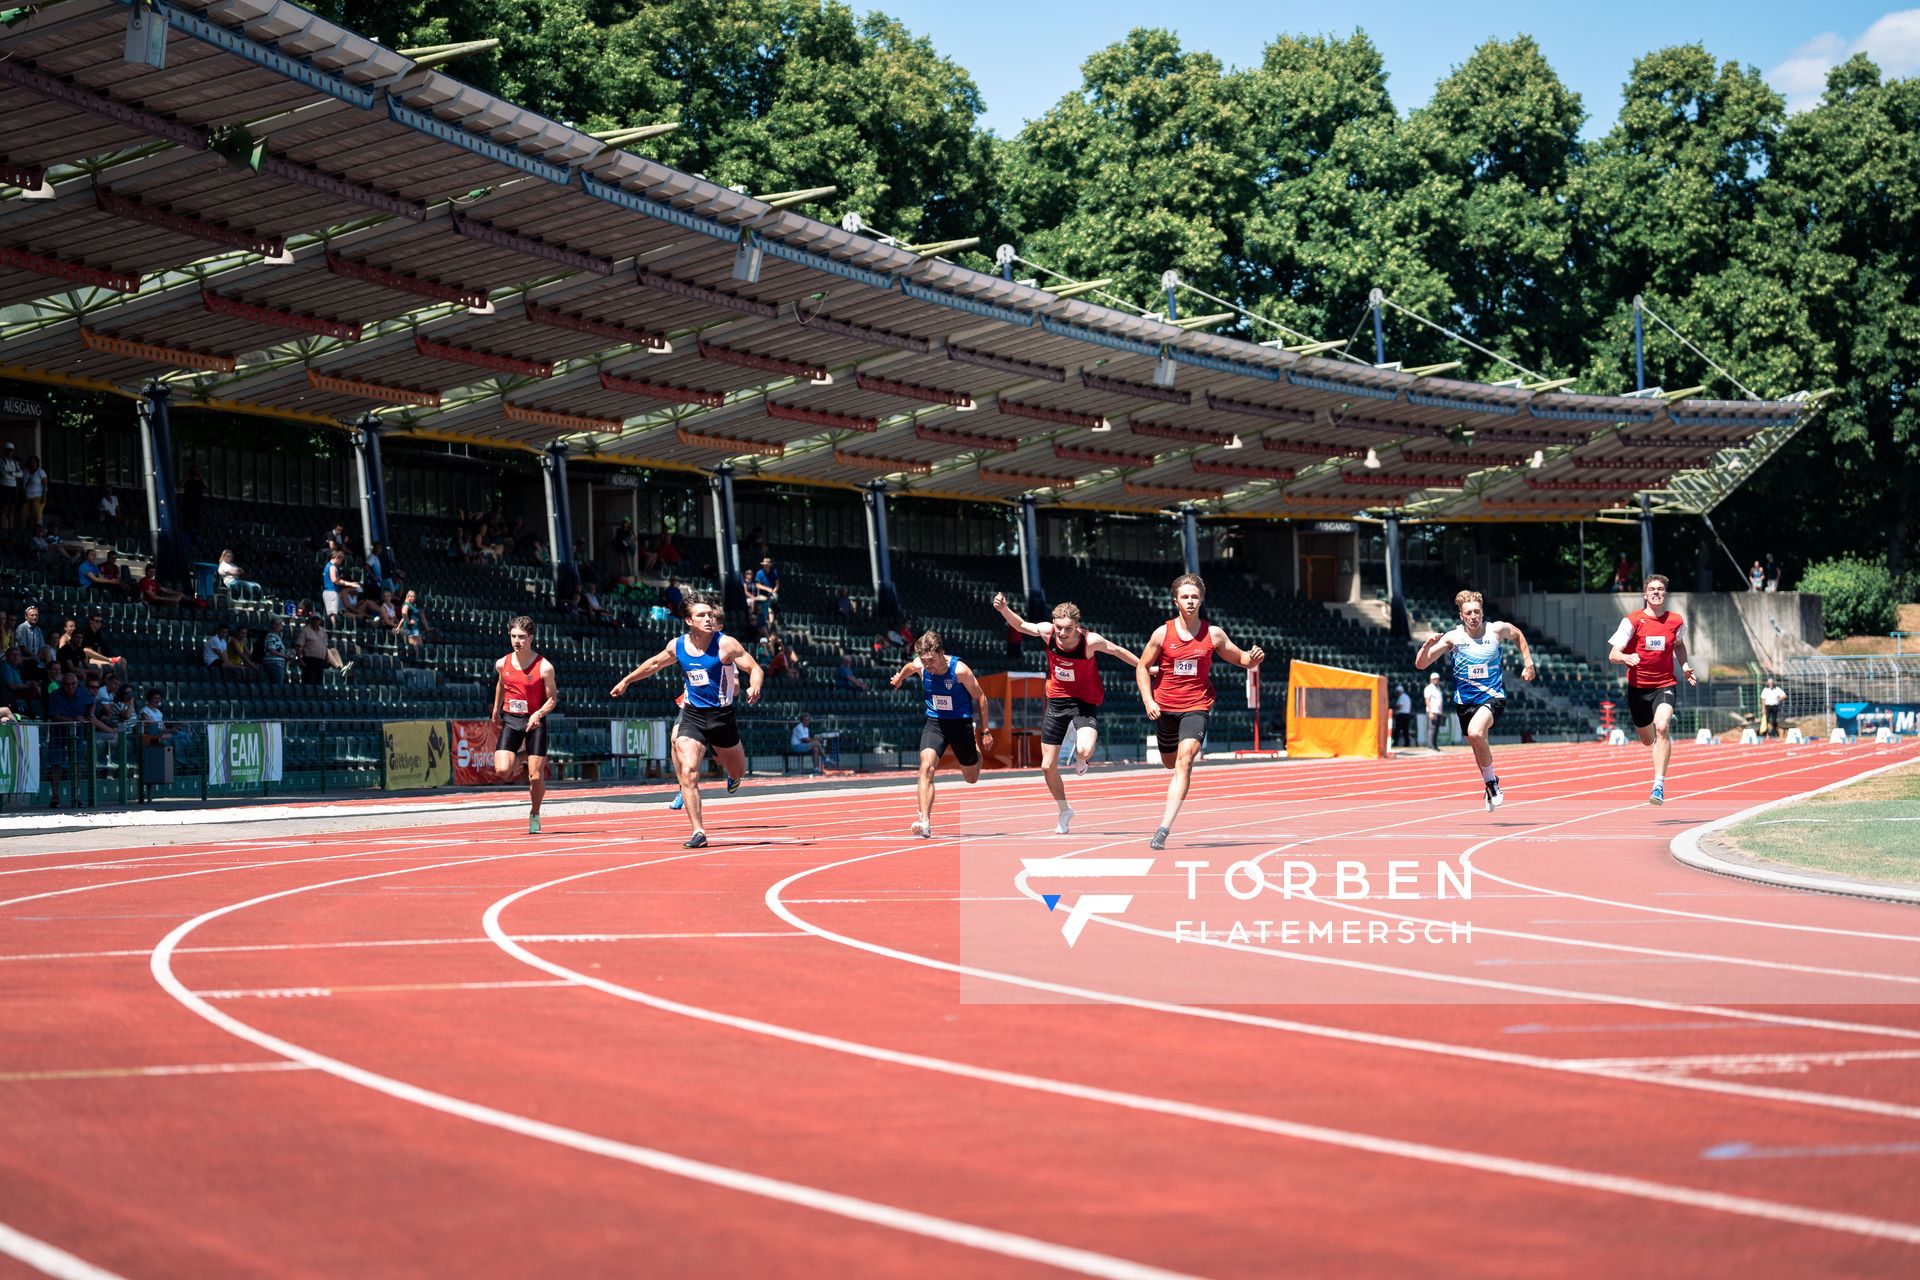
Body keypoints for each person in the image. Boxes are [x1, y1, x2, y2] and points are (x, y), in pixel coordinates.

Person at [609, 592, 763, 848]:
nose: (708, 619)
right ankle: (698, 831)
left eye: (710, 615)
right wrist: (627, 680)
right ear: (689, 621)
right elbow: (654, 664)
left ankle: (733, 776)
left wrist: (754, 686)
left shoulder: (726, 644)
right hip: (693, 715)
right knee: (689, 771)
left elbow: (754, 667)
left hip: (722, 717)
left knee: (737, 770)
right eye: (701, 615)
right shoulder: (677, 645)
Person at [1134, 573, 1265, 850]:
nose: (1190, 601)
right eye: (1185, 597)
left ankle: (1163, 828)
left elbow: (1240, 658)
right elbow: (1142, 667)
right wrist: (1149, 701)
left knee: (1185, 761)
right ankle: (1168, 810)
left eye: (1195, 597)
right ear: (1176, 601)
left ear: (1201, 600)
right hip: (1165, 708)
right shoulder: (1162, 633)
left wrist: (1251, 659)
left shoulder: (1213, 634)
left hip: (1197, 706)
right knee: (1170, 762)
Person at [992, 591, 1140, 834]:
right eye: (1058, 627)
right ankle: (1064, 810)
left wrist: (1146, 666)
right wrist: (1003, 610)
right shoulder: (1047, 633)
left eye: (1067, 629)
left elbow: (1117, 650)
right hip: (1057, 701)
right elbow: (1020, 625)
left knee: (1084, 749)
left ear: (1076, 626)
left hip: (1083, 702)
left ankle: (1082, 760)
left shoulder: (1090, 642)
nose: (1062, 633)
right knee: (1047, 765)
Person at [1415, 589, 1536, 812]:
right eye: (1468, 612)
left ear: (1482, 612)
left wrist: (1528, 663)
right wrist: (1425, 646)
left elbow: (1518, 634)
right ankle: (1491, 780)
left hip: (1493, 697)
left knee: (1476, 732)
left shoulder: (1495, 630)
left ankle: (1491, 784)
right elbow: (1421, 664)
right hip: (1465, 702)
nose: (1473, 616)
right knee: (1478, 747)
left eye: (1476, 612)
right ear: (1461, 615)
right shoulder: (1454, 637)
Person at [888, 632, 993, 839]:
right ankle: (925, 822)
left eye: (932, 661)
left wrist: (985, 731)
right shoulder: (920, 664)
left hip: (960, 723)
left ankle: (975, 749)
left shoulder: (960, 670)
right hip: (935, 722)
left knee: (971, 777)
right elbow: (911, 667)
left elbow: (981, 698)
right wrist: (899, 678)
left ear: (941, 654)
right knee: (926, 766)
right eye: (924, 661)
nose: (928, 666)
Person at [1607, 573, 1696, 806]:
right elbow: (1613, 654)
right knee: (1647, 741)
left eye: (1660, 589)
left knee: (1662, 726)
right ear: (1645, 594)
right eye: (1652, 589)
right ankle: (1658, 723)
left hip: (1665, 684)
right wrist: (1627, 657)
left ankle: (1658, 785)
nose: (1656, 592)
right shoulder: (1632, 621)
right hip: (1638, 689)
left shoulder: (1676, 621)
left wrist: (1684, 666)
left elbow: (1679, 644)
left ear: (1665, 595)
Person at [489, 616, 559, 835]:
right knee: (502, 770)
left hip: (534, 722)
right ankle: (523, 757)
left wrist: (538, 713)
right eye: (513, 636)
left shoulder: (544, 667)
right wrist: (495, 707)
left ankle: (535, 814)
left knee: (535, 776)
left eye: (521, 637)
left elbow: (553, 699)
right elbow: (502, 683)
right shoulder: (502, 663)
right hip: (512, 719)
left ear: (531, 638)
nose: (516, 641)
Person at [322, 551, 359, 623]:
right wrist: (350, 584)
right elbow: (335, 580)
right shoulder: (332, 567)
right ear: (336, 558)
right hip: (331, 592)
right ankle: (334, 629)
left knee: (333, 613)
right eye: (341, 560)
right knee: (333, 614)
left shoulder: (328, 566)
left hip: (330, 592)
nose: (341, 563)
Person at [297, 614, 330, 685]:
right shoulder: (305, 631)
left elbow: (325, 646)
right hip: (309, 661)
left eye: (317, 619)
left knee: (319, 684)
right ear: (310, 620)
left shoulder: (323, 632)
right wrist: (299, 659)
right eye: (313, 619)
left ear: (320, 621)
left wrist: (327, 657)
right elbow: (298, 645)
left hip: (320, 661)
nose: (315, 621)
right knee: (309, 684)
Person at [18, 454, 48, 530]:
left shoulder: (40, 472)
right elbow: (23, 486)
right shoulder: (25, 472)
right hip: (27, 498)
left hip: (38, 497)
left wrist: (44, 496)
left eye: (34, 462)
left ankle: (38, 535)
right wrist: (23, 496)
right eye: (31, 462)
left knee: (37, 515)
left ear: (37, 463)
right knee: (23, 515)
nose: (33, 463)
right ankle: (23, 534)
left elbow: (44, 485)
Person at [261, 617, 288, 684]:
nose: (280, 626)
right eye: (279, 624)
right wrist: (285, 656)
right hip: (274, 663)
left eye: (280, 624)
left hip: (278, 664)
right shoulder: (271, 636)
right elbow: (271, 650)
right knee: (277, 686)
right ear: (274, 625)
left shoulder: (277, 636)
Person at [0, 441, 19, 531]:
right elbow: (5, 474)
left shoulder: (15, 462)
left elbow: (21, 474)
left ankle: (10, 528)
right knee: (4, 508)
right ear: (4, 451)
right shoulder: (1, 460)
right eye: (7, 450)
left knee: (12, 508)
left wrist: (11, 473)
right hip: (5, 486)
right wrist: (15, 473)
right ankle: (3, 528)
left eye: (11, 450)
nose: (9, 452)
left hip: (13, 486)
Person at [1423, 671, 1445, 750]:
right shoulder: (1428, 688)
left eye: (1438, 679)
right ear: (1431, 680)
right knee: (1432, 728)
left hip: (1438, 711)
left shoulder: (1438, 688)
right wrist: (1430, 712)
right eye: (1435, 679)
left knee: (1436, 729)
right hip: (1433, 711)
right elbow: (1427, 700)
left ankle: (1435, 745)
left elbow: (1440, 700)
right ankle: (1430, 745)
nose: (1437, 680)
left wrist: (1441, 711)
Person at [1393, 684, 1414, 748]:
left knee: (1397, 730)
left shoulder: (1401, 697)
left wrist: (1395, 710)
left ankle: (1395, 742)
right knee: (1405, 730)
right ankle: (1407, 743)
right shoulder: (1407, 697)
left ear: (1399, 691)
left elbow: (1400, 706)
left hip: (1401, 715)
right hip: (1407, 714)